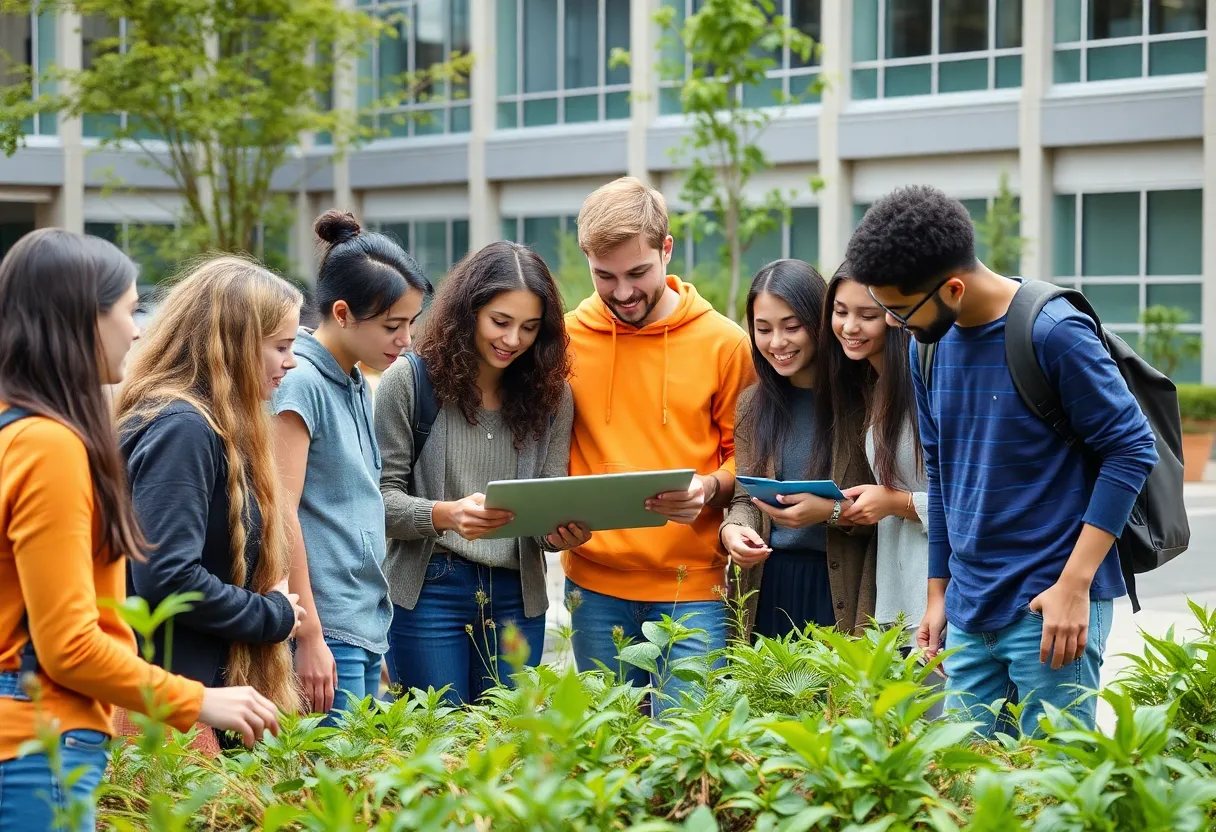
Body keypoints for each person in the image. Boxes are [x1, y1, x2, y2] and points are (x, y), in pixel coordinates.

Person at [847, 185, 1158, 736]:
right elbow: (942, 473)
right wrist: (938, 591)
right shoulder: (929, 347)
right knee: (967, 786)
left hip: (1051, 606)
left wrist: (1074, 585)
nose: (892, 325)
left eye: (899, 309)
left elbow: (1131, 448)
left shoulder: (1052, 332)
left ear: (953, 287)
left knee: (1053, 791)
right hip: (968, 610)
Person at [0, 230, 280, 831]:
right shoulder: (50, 445)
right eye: (128, 310)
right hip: (37, 739)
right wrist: (201, 701)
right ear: (81, 318)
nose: (136, 329)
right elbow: (68, 645)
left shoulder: (15, 431)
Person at [562, 177, 753, 715]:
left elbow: (752, 454)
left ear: (666, 250)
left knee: (686, 753)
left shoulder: (723, 343)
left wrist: (712, 485)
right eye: (605, 276)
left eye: (638, 273)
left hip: (691, 591)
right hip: (593, 588)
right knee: (609, 752)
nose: (623, 293)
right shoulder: (565, 339)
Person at [376, 241, 585, 704]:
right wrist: (444, 515)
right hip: (429, 588)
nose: (513, 340)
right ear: (467, 312)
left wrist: (560, 534)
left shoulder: (552, 396)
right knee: (438, 742)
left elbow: (548, 496)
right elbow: (378, 500)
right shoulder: (408, 382)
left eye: (530, 328)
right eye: (500, 322)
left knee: (506, 744)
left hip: (517, 592)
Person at [117, 256, 307, 720]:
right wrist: (272, 615)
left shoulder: (203, 421)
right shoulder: (182, 428)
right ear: (235, 344)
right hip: (170, 705)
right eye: (280, 346)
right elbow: (167, 577)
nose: (291, 361)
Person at [273, 211, 430, 722]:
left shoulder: (356, 379)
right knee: (330, 789)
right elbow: (282, 513)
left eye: (410, 324)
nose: (405, 340)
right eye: (392, 325)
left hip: (358, 624)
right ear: (341, 313)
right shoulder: (301, 382)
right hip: (322, 628)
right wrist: (310, 635)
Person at [718, 260, 876, 639]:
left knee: (838, 699)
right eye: (763, 329)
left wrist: (831, 512)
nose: (777, 343)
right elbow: (745, 497)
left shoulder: (867, 400)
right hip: (768, 585)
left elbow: (892, 507)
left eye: (792, 327)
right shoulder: (753, 404)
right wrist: (733, 531)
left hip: (840, 583)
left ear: (820, 322)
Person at [823, 267, 929, 632]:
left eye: (867, 315)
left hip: (939, 595)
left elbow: (968, 502)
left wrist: (895, 502)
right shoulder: (875, 388)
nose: (850, 327)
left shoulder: (927, 389)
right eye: (840, 312)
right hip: (895, 598)